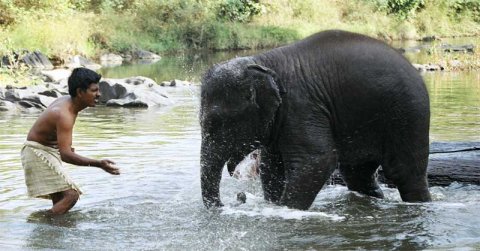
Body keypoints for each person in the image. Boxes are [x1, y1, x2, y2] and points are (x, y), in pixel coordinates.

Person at [21, 67, 120, 215]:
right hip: (37, 153)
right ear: (80, 92)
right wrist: (99, 164)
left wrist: (62, 146)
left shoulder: (69, 103)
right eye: (94, 91)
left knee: (61, 199)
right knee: (71, 195)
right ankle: (42, 224)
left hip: (45, 150)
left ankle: (55, 232)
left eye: (98, 90)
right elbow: (66, 155)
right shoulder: (64, 114)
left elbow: (57, 140)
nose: (99, 94)